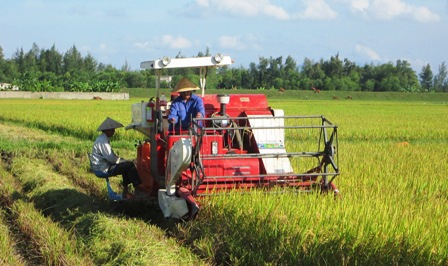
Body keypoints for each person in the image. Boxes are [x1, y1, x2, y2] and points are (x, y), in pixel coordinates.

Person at [90, 117, 144, 198]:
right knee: (129, 166)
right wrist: (123, 161)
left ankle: (125, 192)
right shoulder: (103, 142)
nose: (114, 131)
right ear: (107, 130)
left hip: (103, 166)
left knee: (126, 166)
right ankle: (139, 189)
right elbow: (111, 159)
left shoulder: (102, 139)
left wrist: (122, 161)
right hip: (103, 168)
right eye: (112, 129)